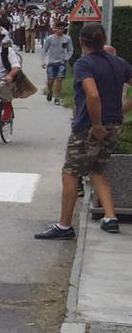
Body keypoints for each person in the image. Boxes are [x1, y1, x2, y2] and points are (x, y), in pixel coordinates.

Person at [37, 24, 130, 239]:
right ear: (103, 40)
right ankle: (110, 218)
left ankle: (64, 226)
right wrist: (120, 111)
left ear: (80, 42)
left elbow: (93, 94)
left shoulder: (84, 64)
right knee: (97, 169)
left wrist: (96, 125)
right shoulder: (119, 63)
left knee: (70, 172)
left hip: (89, 126)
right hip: (114, 124)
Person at [41, 22, 73, 105]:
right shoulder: (50, 38)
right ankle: (50, 91)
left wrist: (66, 58)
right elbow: (44, 49)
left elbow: (70, 50)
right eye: (58, 29)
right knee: (50, 81)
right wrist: (43, 61)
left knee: (59, 79)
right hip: (51, 62)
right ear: (54, 29)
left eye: (61, 29)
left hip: (62, 62)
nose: (59, 30)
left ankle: (57, 97)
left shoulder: (67, 38)